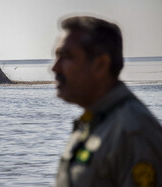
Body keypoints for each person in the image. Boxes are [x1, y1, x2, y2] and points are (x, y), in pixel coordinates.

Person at [52, 16, 162, 187]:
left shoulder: (133, 132)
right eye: (57, 56)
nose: (54, 67)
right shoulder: (94, 123)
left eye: (67, 56)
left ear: (101, 64)